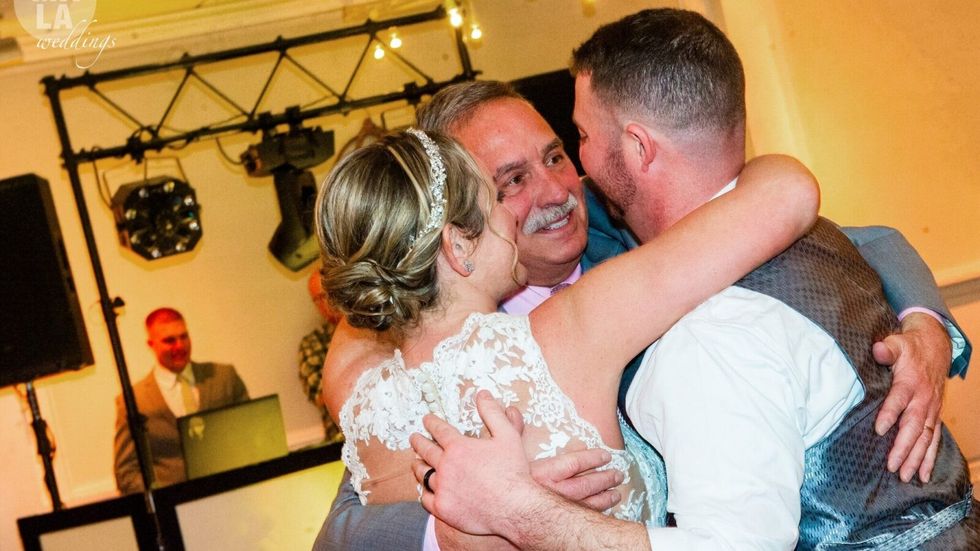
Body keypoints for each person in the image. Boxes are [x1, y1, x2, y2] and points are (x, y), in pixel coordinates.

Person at [411, 9, 978, 549]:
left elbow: (866, 239)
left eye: (560, 152)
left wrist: (926, 325)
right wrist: (461, 532)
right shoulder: (438, 346)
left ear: (636, 148)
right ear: (461, 223)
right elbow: (356, 523)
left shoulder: (679, 265)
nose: (561, 190)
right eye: (511, 181)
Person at [316, 124, 819, 531]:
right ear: (458, 246)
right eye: (494, 198)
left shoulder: (359, 400)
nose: (511, 216)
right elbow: (789, 193)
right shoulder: (571, 331)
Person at [113, 308, 249, 494]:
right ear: (151, 344)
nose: (180, 346)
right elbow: (126, 472)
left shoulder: (224, 377)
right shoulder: (134, 401)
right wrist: (165, 499)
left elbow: (252, 436)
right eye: (169, 340)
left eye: (184, 337)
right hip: (174, 510)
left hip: (235, 496)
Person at [298, 265, 344, 444]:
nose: (324, 304)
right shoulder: (312, 343)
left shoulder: (370, 329)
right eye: (316, 299)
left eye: (326, 296)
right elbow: (321, 396)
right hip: (339, 441)